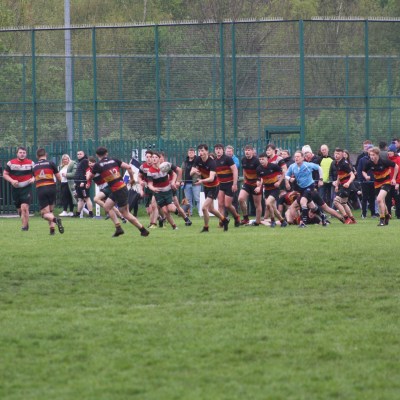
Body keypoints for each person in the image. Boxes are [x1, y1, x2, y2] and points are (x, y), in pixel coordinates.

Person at [87, 147, 149, 237]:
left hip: (118, 190)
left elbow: (90, 177)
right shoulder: (114, 160)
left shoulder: (97, 165)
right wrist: (132, 179)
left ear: (97, 155)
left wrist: (89, 175)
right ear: (106, 153)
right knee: (107, 207)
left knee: (125, 213)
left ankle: (143, 230)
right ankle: (118, 228)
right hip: (119, 188)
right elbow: (129, 167)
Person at [191, 144, 230, 232]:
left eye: (202, 151)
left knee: (204, 208)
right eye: (199, 151)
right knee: (211, 209)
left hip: (214, 187)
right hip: (206, 186)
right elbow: (190, 173)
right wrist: (195, 171)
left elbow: (211, 178)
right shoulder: (197, 159)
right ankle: (224, 220)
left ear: (207, 151)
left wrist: (201, 180)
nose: (201, 153)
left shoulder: (212, 163)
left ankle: (206, 227)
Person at [285, 150, 324, 228]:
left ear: (303, 158)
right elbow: (286, 175)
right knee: (312, 206)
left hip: (310, 186)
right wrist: (290, 179)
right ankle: (323, 216)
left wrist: (321, 179)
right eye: (295, 157)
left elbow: (319, 168)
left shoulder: (308, 165)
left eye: (298, 156)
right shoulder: (292, 166)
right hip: (301, 189)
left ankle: (303, 223)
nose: (296, 158)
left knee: (303, 202)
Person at [362, 146, 398, 226]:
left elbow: (396, 166)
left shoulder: (384, 161)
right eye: (370, 155)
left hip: (386, 182)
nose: (371, 157)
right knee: (382, 201)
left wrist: (394, 178)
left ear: (378, 155)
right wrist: (366, 176)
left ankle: (382, 219)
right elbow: (363, 171)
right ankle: (387, 215)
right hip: (377, 183)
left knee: (379, 199)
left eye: (373, 155)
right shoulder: (369, 163)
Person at [33, 148, 64, 235]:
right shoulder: (51, 163)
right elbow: (59, 177)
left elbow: (33, 178)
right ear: (46, 154)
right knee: (50, 211)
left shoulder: (34, 166)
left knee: (44, 214)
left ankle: (56, 220)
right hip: (52, 188)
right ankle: (52, 230)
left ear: (37, 156)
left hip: (41, 189)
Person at [3, 146, 35, 231]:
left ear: (26, 154)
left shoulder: (31, 163)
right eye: (20, 152)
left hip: (26, 188)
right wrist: (12, 180)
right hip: (15, 189)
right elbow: (5, 174)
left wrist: (33, 179)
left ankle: (24, 227)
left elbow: (36, 174)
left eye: (24, 153)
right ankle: (25, 222)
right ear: (17, 153)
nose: (22, 154)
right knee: (19, 210)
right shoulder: (11, 163)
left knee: (24, 207)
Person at [256, 153, 287, 227]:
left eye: (263, 159)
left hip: (275, 189)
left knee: (268, 203)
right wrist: (258, 186)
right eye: (260, 159)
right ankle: (282, 221)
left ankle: (273, 221)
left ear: (267, 159)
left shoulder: (273, 166)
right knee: (272, 207)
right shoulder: (258, 169)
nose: (261, 161)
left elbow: (283, 172)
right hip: (267, 190)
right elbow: (259, 180)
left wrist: (279, 182)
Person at [214, 144, 241, 227]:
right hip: (220, 185)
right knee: (220, 204)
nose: (218, 150)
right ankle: (222, 221)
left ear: (223, 150)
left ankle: (236, 217)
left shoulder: (227, 159)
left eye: (219, 149)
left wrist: (234, 184)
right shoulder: (214, 160)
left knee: (228, 205)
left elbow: (235, 170)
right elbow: (215, 173)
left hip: (229, 184)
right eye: (216, 149)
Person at [238, 145, 262, 226]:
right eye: (246, 150)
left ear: (252, 151)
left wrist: (259, 185)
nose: (247, 152)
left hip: (256, 183)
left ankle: (257, 221)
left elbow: (261, 173)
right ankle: (245, 218)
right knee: (240, 199)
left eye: (248, 150)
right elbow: (244, 170)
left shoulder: (256, 161)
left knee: (257, 204)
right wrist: (245, 180)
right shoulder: (243, 160)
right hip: (248, 183)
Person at [333, 148, 357, 224]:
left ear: (342, 154)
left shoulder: (344, 164)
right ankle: (352, 219)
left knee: (336, 202)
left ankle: (346, 218)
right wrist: (337, 185)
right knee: (343, 203)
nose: (336, 155)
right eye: (335, 153)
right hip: (342, 185)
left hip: (346, 186)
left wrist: (348, 183)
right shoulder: (337, 163)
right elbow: (339, 175)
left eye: (338, 154)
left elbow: (352, 175)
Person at [356, 144, 377, 218]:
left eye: (372, 150)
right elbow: (359, 170)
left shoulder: (376, 159)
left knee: (372, 198)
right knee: (364, 198)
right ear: (367, 151)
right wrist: (361, 180)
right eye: (369, 150)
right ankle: (364, 213)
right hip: (364, 182)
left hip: (373, 181)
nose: (370, 151)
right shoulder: (362, 159)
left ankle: (373, 213)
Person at [181, 147, 201, 217]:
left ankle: (200, 213)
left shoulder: (198, 162)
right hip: (186, 183)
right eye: (189, 152)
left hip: (196, 183)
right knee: (188, 200)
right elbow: (181, 172)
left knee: (197, 199)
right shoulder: (184, 162)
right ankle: (190, 213)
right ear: (188, 153)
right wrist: (182, 181)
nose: (191, 154)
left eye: (192, 152)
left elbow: (201, 171)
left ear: (194, 153)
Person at [73, 150, 94, 218]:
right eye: (78, 154)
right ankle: (78, 213)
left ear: (84, 154)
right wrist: (76, 183)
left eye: (80, 154)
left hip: (82, 183)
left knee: (86, 198)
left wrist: (83, 182)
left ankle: (91, 213)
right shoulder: (80, 162)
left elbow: (87, 171)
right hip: (78, 183)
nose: (79, 155)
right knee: (80, 199)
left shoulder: (85, 161)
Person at [386, 144, 400, 219]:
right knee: (387, 199)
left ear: (394, 152)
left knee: (397, 199)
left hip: (396, 182)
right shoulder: (386, 159)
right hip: (388, 182)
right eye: (388, 151)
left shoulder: (398, 159)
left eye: (391, 151)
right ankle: (388, 215)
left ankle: (398, 215)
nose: (389, 152)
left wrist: (398, 182)